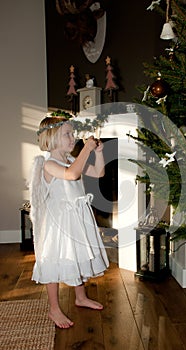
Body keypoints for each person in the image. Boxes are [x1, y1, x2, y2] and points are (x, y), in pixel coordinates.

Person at [29, 114, 109, 329]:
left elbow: (98, 172)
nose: (73, 138)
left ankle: (80, 297)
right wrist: (87, 149)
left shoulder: (72, 160)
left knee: (78, 255)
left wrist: (98, 153)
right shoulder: (49, 164)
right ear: (52, 137)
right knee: (55, 260)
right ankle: (54, 309)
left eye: (72, 133)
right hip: (59, 222)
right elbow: (72, 176)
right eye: (67, 134)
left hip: (77, 217)